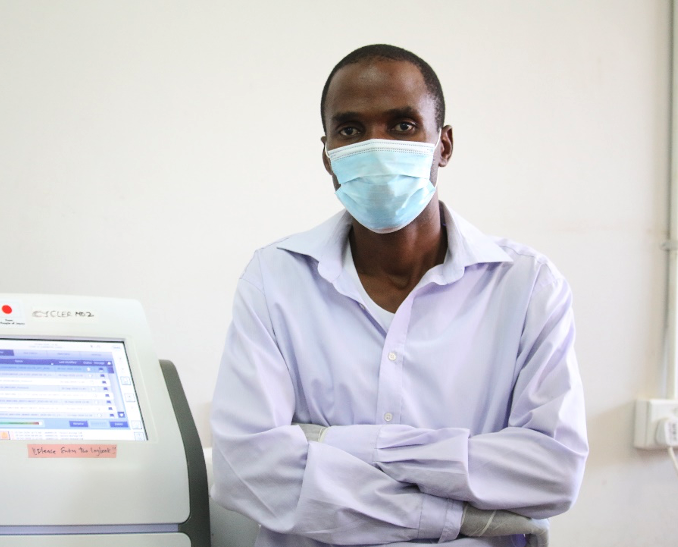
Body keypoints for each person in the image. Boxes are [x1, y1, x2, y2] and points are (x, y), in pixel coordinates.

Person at [210, 44, 588, 547]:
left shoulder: (526, 286)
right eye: (351, 130)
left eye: (403, 126)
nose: (376, 145)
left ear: (444, 145)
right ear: (327, 156)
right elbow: (246, 469)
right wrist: (461, 516)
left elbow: (554, 472)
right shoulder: (275, 278)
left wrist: (334, 445)